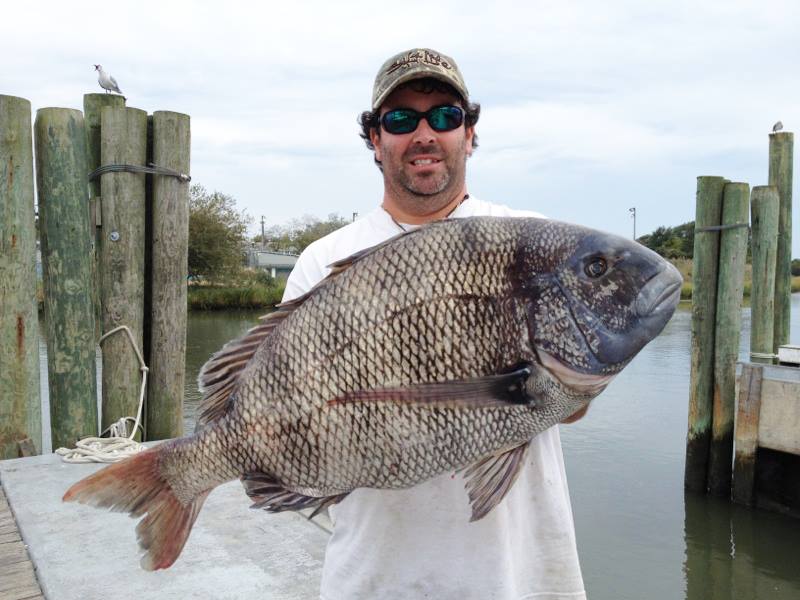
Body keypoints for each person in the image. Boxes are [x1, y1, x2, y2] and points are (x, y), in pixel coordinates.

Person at [283, 48, 587, 600]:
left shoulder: (531, 241)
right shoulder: (321, 262)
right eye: (400, 119)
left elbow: (570, 404)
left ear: (469, 133)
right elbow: (296, 414)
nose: (424, 132)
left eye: (444, 115)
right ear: (375, 139)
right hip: (375, 580)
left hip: (516, 578)